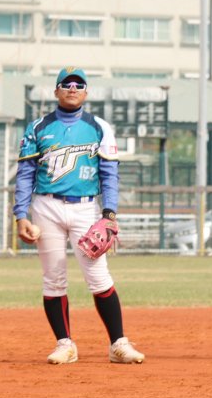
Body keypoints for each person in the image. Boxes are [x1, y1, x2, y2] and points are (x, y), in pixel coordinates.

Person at [13, 67, 145, 365]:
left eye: (79, 84)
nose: (73, 88)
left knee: (99, 277)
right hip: (46, 206)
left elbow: (110, 173)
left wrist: (109, 214)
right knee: (53, 279)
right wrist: (21, 215)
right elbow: (25, 174)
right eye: (66, 84)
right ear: (56, 91)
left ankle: (118, 344)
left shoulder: (99, 127)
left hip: (87, 208)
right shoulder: (38, 127)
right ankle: (65, 344)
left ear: (86, 93)